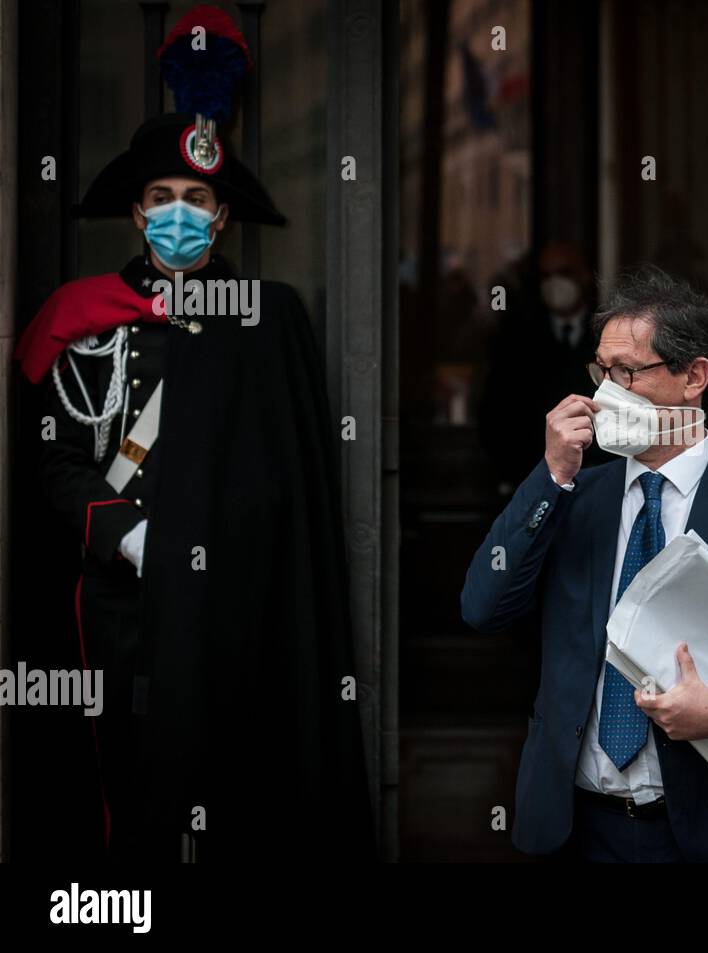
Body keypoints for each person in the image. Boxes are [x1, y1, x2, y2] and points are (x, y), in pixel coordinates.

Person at [14, 5, 373, 861]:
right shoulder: (84, 318)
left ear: (221, 217)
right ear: (137, 214)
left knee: (237, 789)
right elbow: (57, 454)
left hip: (234, 607)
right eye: (163, 198)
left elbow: (288, 483)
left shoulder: (268, 318)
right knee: (130, 790)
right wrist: (128, 536)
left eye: (198, 199)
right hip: (125, 604)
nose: (181, 214)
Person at [461, 265, 708, 862]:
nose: (605, 392)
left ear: (694, 377)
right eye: (601, 371)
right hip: (575, 827)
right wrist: (553, 474)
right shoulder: (575, 499)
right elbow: (483, 607)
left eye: (626, 372)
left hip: (707, 832)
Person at [478, 240, 615, 490]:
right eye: (546, 275)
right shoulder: (516, 338)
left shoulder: (610, 333)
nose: (555, 282)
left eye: (564, 272)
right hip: (533, 478)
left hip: (601, 478)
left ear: (584, 276)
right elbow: (496, 411)